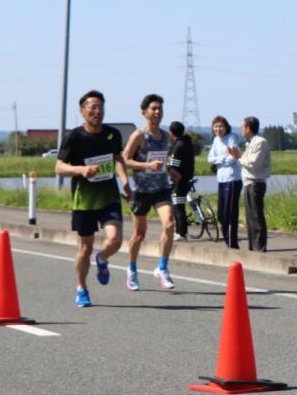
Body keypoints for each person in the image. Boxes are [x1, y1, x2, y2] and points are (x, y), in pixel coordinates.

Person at [54, 90, 131, 308]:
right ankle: (81, 288)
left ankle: (103, 258)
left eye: (101, 107)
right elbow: (59, 167)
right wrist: (81, 170)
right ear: (82, 110)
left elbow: (119, 159)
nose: (97, 111)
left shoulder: (112, 134)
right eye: (93, 107)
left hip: (109, 195)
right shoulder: (74, 136)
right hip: (84, 200)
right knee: (84, 248)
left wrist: (125, 182)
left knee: (115, 238)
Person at [122, 94, 176, 291]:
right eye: (153, 108)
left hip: (161, 188)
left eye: (160, 108)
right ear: (144, 112)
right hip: (141, 190)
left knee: (170, 223)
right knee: (139, 235)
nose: (158, 111)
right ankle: (132, 270)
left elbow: (162, 161)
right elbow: (124, 160)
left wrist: (171, 171)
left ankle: (162, 268)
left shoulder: (166, 136)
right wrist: (147, 165)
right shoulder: (139, 135)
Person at [208, 116, 243, 249]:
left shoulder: (232, 137)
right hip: (221, 179)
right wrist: (223, 157)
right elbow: (210, 158)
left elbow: (232, 159)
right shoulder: (216, 140)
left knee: (230, 212)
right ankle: (227, 240)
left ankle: (232, 243)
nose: (218, 129)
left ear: (226, 127)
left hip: (233, 179)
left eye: (221, 126)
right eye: (216, 126)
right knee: (222, 213)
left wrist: (220, 160)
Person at [237, 116, 271, 252]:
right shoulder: (250, 142)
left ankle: (260, 247)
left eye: (242, 127)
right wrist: (240, 156)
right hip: (249, 182)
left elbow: (253, 163)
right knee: (250, 217)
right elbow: (247, 160)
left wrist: (239, 157)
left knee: (256, 216)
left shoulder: (260, 142)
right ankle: (253, 246)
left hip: (256, 182)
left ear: (248, 128)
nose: (241, 130)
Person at [167, 121, 195, 241]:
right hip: (187, 178)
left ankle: (181, 233)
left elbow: (173, 165)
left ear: (171, 132)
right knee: (180, 205)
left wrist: (169, 172)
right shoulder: (188, 143)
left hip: (179, 180)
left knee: (178, 206)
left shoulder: (177, 146)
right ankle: (181, 231)